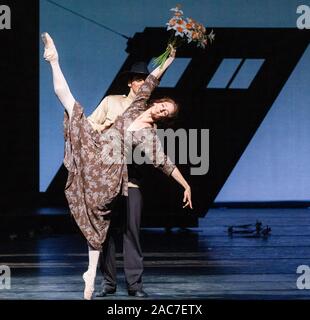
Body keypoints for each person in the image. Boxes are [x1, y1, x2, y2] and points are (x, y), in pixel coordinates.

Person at [42, 32, 193, 300]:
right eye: (163, 107)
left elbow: (164, 163)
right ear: (156, 102)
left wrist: (186, 184)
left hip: (111, 172)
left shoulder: (149, 135)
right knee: (71, 105)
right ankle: (53, 60)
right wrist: (169, 60)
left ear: (165, 119)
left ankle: (94, 275)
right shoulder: (134, 106)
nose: (162, 111)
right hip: (95, 149)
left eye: (167, 113)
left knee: (101, 221)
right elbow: (153, 79)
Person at [88, 62, 150, 298]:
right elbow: (91, 124)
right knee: (107, 232)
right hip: (107, 175)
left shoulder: (147, 107)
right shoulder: (111, 101)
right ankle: (109, 283)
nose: (141, 83)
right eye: (137, 79)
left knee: (132, 231)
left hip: (133, 176)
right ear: (129, 82)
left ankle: (135, 285)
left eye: (144, 79)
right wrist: (107, 127)